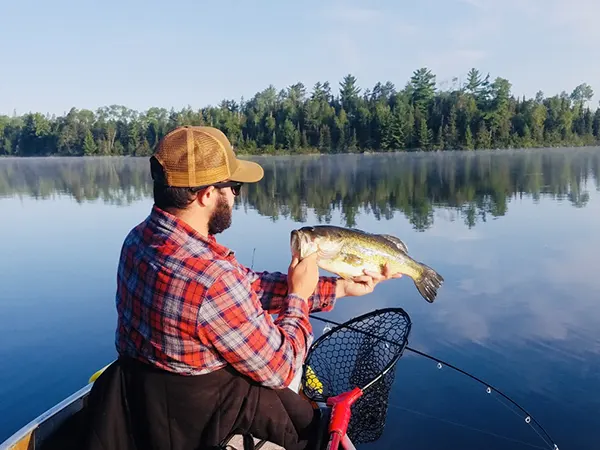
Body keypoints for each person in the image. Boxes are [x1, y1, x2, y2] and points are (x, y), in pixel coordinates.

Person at [81, 125, 401, 450]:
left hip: (145, 408)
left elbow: (248, 287)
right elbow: (283, 366)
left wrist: (341, 289)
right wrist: (298, 299)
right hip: (201, 425)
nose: (235, 195)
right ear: (207, 194)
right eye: (234, 187)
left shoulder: (139, 240)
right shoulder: (212, 277)